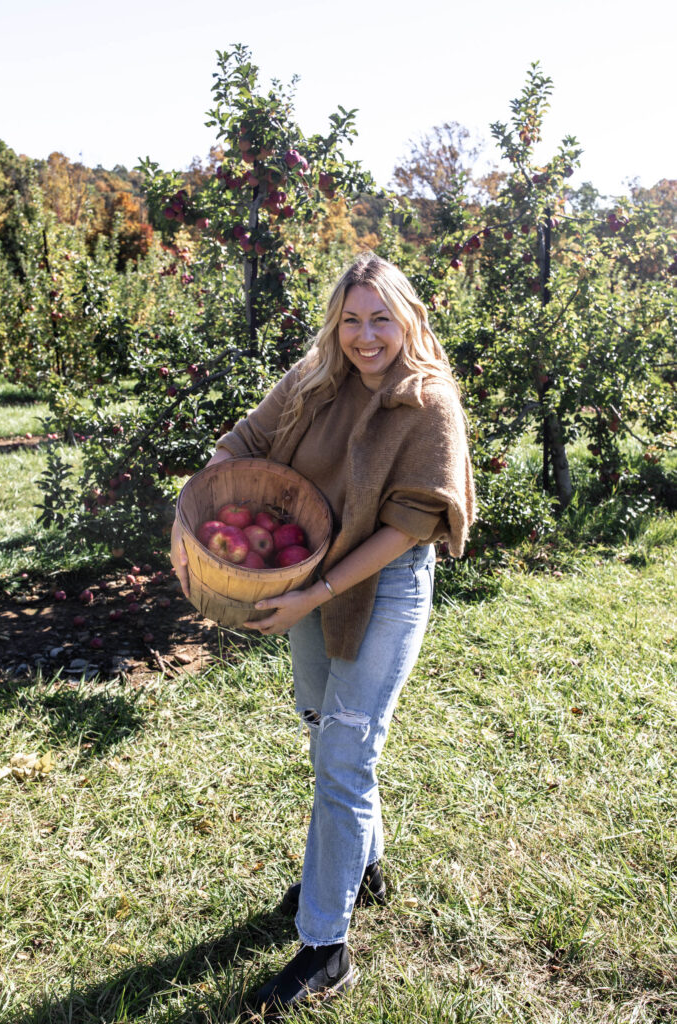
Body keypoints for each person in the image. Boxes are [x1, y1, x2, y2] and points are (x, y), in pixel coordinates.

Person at [170, 252, 475, 1014]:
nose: (365, 337)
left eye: (380, 318)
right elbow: (239, 447)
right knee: (320, 723)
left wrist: (318, 593)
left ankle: (325, 945)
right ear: (334, 323)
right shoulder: (314, 382)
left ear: (407, 319)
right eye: (350, 320)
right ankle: (363, 863)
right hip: (308, 578)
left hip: (382, 583)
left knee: (345, 748)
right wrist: (201, 517)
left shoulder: (426, 404)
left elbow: (410, 527)